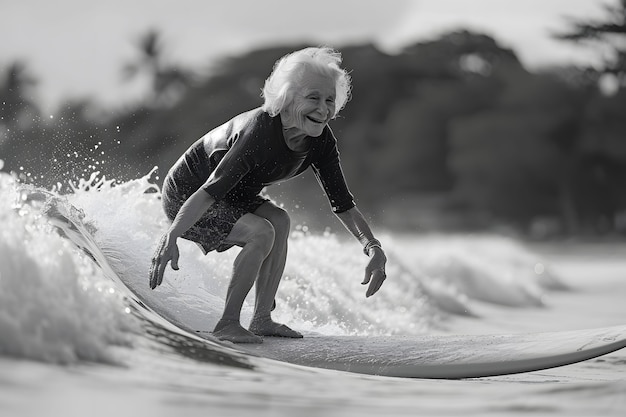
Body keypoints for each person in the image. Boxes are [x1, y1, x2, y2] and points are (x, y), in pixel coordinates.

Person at [149, 46, 387, 344]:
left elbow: (343, 205)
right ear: (286, 99)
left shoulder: (320, 141)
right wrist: (171, 236)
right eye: (313, 98)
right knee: (261, 232)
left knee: (280, 220)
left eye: (329, 100)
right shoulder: (259, 132)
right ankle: (227, 323)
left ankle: (261, 319)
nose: (324, 109)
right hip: (188, 195)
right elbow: (208, 192)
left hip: (235, 194)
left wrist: (372, 247)